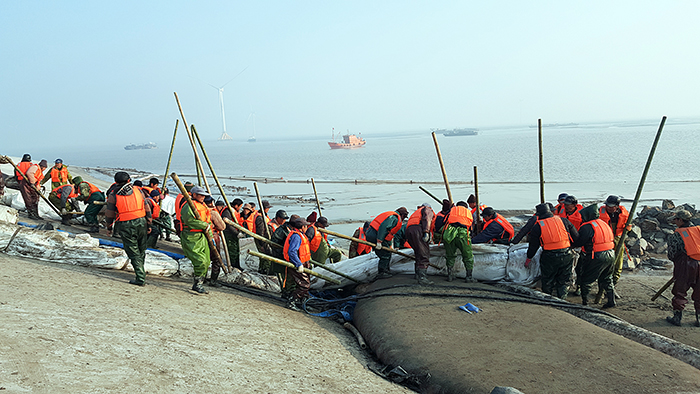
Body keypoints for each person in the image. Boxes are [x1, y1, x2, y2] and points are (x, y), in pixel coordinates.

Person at [105, 172, 151, 287]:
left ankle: (140, 277)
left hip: (126, 224)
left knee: (132, 250)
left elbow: (109, 212)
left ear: (115, 182)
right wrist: (149, 224)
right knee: (141, 249)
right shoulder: (138, 190)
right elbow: (147, 207)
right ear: (129, 180)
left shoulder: (113, 194)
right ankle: (140, 271)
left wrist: (109, 227)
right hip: (141, 221)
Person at [526, 203, 579, 299]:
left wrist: (529, 258)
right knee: (564, 280)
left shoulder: (538, 226)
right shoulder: (563, 220)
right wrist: (571, 247)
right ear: (551, 212)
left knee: (548, 280)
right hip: (567, 254)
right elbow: (576, 237)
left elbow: (533, 246)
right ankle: (562, 299)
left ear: (538, 215)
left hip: (549, 257)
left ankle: (548, 299)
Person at [571, 204, 616, 308]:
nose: (581, 218)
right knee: (607, 278)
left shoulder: (587, 227)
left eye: (583, 216)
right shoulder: (604, 224)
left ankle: (585, 303)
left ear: (587, 215)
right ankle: (611, 300)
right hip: (611, 254)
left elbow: (579, 242)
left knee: (586, 280)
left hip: (596, 255)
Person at [180, 186, 219, 294]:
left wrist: (210, 235)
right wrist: (204, 225)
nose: (203, 197)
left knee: (206, 261)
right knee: (200, 261)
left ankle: (199, 283)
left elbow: (208, 221)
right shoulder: (188, 206)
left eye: (204, 195)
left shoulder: (203, 206)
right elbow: (189, 221)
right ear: (194, 195)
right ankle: (197, 284)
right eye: (200, 195)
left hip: (202, 237)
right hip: (191, 237)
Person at [665, 210, 700, 327]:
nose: (674, 221)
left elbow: (672, 254)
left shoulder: (676, 235)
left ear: (680, 220)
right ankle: (699, 319)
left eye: (676, 219)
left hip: (686, 265)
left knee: (680, 291)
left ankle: (677, 318)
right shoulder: (698, 230)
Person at [365, 207, 409, 278]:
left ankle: (386, 270)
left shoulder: (391, 215)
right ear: (402, 215)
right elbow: (384, 227)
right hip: (375, 235)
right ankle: (382, 272)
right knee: (385, 255)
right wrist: (379, 241)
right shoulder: (394, 218)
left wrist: (390, 246)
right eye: (404, 217)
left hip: (372, 233)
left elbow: (389, 234)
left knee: (386, 252)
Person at [599, 195, 631, 288]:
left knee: (618, 265)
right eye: (607, 205)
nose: (608, 207)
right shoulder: (600, 212)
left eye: (611, 206)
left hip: (618, 239)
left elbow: (628, 227)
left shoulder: (624, 213)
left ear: (616, 206)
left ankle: (612, 286)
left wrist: (627, 229)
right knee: (605, 264)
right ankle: (603, 287)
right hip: (605, 240)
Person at [283, 217, 313, 311]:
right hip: (298, 263)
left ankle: (303, 302)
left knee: (306, 283)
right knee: (304, 284)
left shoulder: (301, 234)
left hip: (305, 262)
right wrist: (298, 264)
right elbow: (292, 251)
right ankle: (291, 302)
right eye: (306, 226)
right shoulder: (296, 236)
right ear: (303, 227)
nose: (307, 228)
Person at [444, 201, 477, 282]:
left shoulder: (451, 210)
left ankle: (450, 275)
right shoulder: (468, 212)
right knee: (468, 256)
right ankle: (469, 277)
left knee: (450, 255)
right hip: (463, 234)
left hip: (450, 233)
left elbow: (444, 221)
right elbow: (471, 226)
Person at [405, 203, 435, 285]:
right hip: (418, 231)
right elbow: (427, 219)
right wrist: (426, 232)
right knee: (424, 253)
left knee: (418, 253)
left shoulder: (416, 212)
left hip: (409, 231)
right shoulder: (427, 210)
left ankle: (418, 274)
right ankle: (422, 278)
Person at [204, 196, 227, 287]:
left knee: (204, 258)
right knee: (216, 259)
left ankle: (202, 278)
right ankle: (213, 281)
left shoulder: (197, 209)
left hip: (199, 236)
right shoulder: (212, 213)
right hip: (212, 236)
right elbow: (222, 227)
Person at [15, 155, 47, 220]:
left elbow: (37, 180)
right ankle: (31, 214)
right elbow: (29, 173)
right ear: (43, 167)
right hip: (26, 183)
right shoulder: (35, 167)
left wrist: (37, 189)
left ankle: (35, 214)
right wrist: (32, 182)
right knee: (28, 199)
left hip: (29, 184)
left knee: (35, 199)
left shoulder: (19, 165)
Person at [216, 198, 243, 270]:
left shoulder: (234, 211)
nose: (240, 208)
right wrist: (236, 233)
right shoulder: (227, 211)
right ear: (236, 205)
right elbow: (228, 225)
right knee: (232, 250)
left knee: (237, 250)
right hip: (229, 234)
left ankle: (237, 265)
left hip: (234, 234)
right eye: (240, 206)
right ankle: (233, 266)